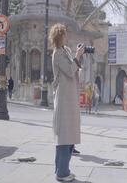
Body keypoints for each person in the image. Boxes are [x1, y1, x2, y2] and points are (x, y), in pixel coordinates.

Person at [50, 23, 84, 182]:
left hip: (70, 97)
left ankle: (62, 169)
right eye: (64, 34)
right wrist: (77, 56)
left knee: (69, 135)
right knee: (64, 136)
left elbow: (74, 68)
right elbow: (70, 71)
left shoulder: (66, 50)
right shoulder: (57, 54)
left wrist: (78, 56)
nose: (67, 36)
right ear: (59, 36)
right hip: (64, 98)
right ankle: (62, 173)